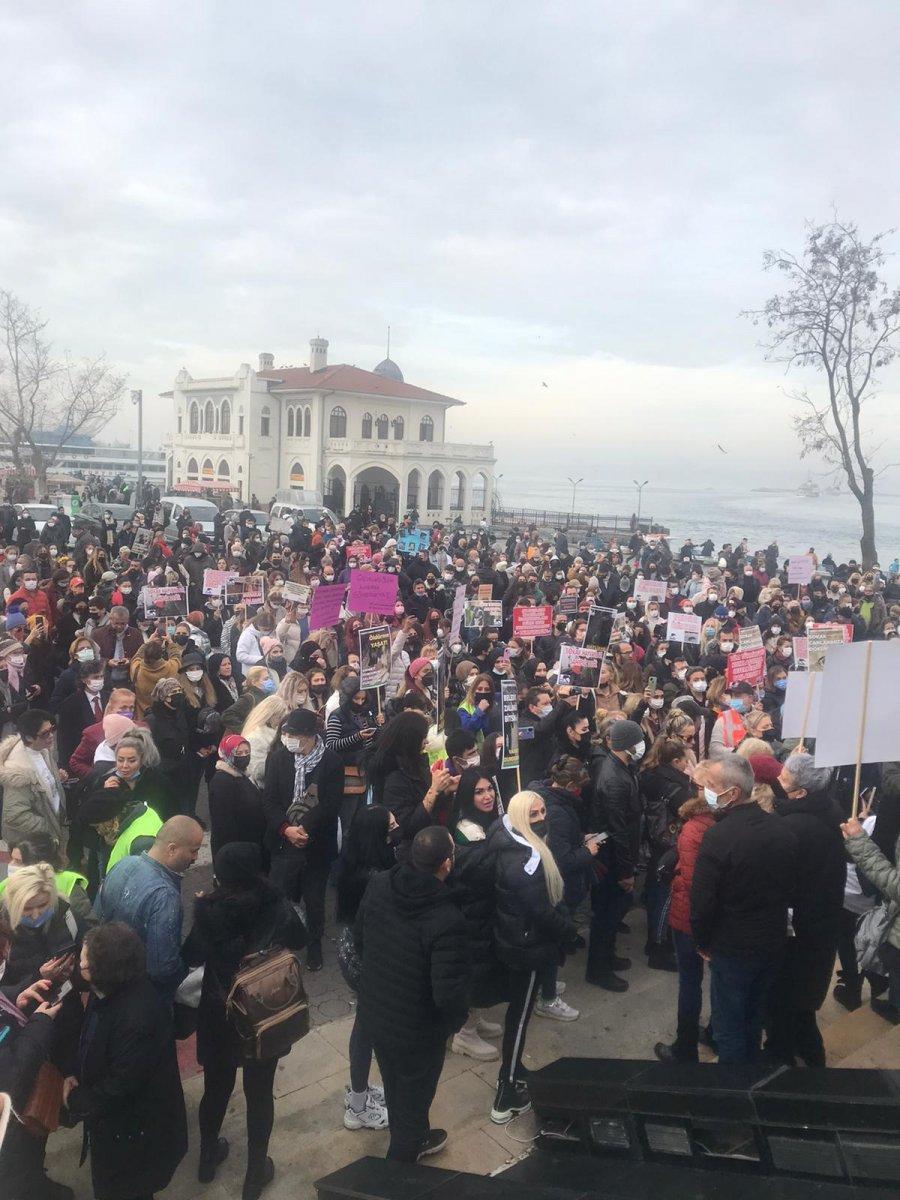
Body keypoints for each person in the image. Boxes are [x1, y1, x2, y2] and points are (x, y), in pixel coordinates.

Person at [183, 843, 308, 1199]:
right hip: (263, 1014)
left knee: (216, 1089)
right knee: (259, 1094)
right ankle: (255, 1175)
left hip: (220, 1013)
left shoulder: (210, 911)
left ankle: (208, 1159)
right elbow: (301, 938)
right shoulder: (277, 906)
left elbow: (189, 955)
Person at [354, 825, 469, 1162]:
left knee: (395, 1088)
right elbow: (448, 993)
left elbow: (360, 939)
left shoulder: (379, 884)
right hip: (418, 1033)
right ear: (447, 863)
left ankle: (415, 1136)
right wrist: (452, 1024)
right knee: (414, 1103)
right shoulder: (447, 918)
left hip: (378, 1014)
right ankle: (401, 1168)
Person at [64, 922, 188, 1200]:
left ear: (101, 973)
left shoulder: (137, 1019)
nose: (78, 965)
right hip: (121, 1133)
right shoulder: (111, 991)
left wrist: (75, 1099)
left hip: (137, 1140)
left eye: (83, 963)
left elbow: (121, 1084)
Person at [689, 755, 797, 1064]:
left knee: (729, 1027)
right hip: (772, 941)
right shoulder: (781, 829)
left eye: (710, 787)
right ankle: (752, 1074)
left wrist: (702, 941)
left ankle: (733, 1090)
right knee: (753, 1017)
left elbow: (703, 901)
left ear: (732, 793)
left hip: (732, 948)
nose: (703, 793)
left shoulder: (718, 837)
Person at [483, 791, 576, 1123]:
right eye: (534, 814)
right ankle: (505, 1093)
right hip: (528, 946)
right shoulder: (526, 862)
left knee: (517, 1015)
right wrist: (568, 931)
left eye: (543, 811)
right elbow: (540, 911)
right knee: (520, 1018)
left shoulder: (508, 838)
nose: (541, 818)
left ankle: (514, 1068)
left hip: (516, 940)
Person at [764, 753, 845, 1066]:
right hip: (821, 925)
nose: (777, 782)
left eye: (783, 779)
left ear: (800, 793)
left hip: (798, 930)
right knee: (802, 1005)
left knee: (786, 1003)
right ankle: (810, 1057)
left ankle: (783, 1061)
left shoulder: (793, 828)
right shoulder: (830, 810)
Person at [263, 707, 343, 972]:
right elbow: (271, 801)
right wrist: (286, 828)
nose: (289, 739)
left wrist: (304, 828)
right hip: (283, 841)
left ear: (310, 736)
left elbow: (331, 804)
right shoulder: (278, 758)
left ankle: (314, 943)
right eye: (286, 734)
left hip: (316, 842)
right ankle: (280, 943)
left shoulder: (331, 761)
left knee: (314, 897)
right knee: (281, 893)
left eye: (294, 735)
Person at [94, 815, 204, 1004]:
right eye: (193, 851)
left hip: (108, 980)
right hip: (144, 997)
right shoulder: (165, 896)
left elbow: (97, 915)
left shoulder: (123, 864)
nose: (195, 858)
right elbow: (163, 968)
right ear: (172, 849)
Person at [0, 914, 70, 1200]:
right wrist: (41, 1023)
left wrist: (21, 992)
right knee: (19, 1175)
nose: (5, 957)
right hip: (10, 1132)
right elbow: (13, 1076)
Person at [335, 805, 395, 1130]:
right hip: (366, 959)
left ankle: (360, 1089)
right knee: (367, 1028)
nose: (396, 824)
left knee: (364, 1023)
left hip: (353, 950)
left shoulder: (354, 864)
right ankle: (358, 1104)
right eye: (391, 823)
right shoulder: (375, 878)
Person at [655, 774, 716, 1063]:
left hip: (691, 916)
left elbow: (694, 883)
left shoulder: (694, 828)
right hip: (709, 916)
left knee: (690, 983)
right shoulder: (717, 821)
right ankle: (712, 1034)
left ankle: (685, 1048)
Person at [587, 719, 645, 992]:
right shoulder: (613, 778)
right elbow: (618, 829)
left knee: (612, 913)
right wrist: (625, 871)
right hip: (610, 858)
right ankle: (598, 969)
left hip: (617, 853)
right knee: (606, 915)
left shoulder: (622, 767)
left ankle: (607, 957)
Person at [368, 710, 456, 843]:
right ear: (411, 740)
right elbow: (406, 826)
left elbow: (430, 808)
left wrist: (445, 790)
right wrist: (433, 791)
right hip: (412, 848)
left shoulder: (416, 766)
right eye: (423, 737)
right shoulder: (394, 778)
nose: (426, 742)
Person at [0, 709, 67, 856]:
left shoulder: (42, 748)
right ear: (29, 737)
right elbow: (14, 816)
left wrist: (55, 777)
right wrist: (50, 826)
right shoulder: (18, 772)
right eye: (45, 734)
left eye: (52, 730)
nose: (51, 736)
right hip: (31, 846)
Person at [209, 733, 268, 861]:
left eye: (247, 752)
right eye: (239, 753)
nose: (244, 756)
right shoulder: (222, 782)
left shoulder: (242, 775)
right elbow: (223, 825)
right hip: (238, 849)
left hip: (250, 843)